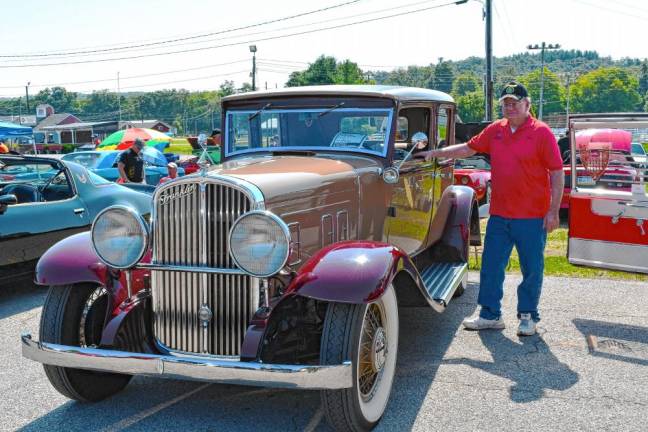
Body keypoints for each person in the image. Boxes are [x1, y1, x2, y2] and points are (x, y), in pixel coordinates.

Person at [418, 81, 564, 336]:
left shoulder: (541, 132)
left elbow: (557, 172)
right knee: (491, 266)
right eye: (505, 103)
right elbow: (468, 148)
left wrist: (553, 211)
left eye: (515, 102)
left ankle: (528, 316)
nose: (510, 107)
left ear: (527, 104)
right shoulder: (496, 129)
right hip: (500, 215)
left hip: (532, 217)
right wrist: (435, 153)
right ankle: (490, 315)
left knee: (532, 268)